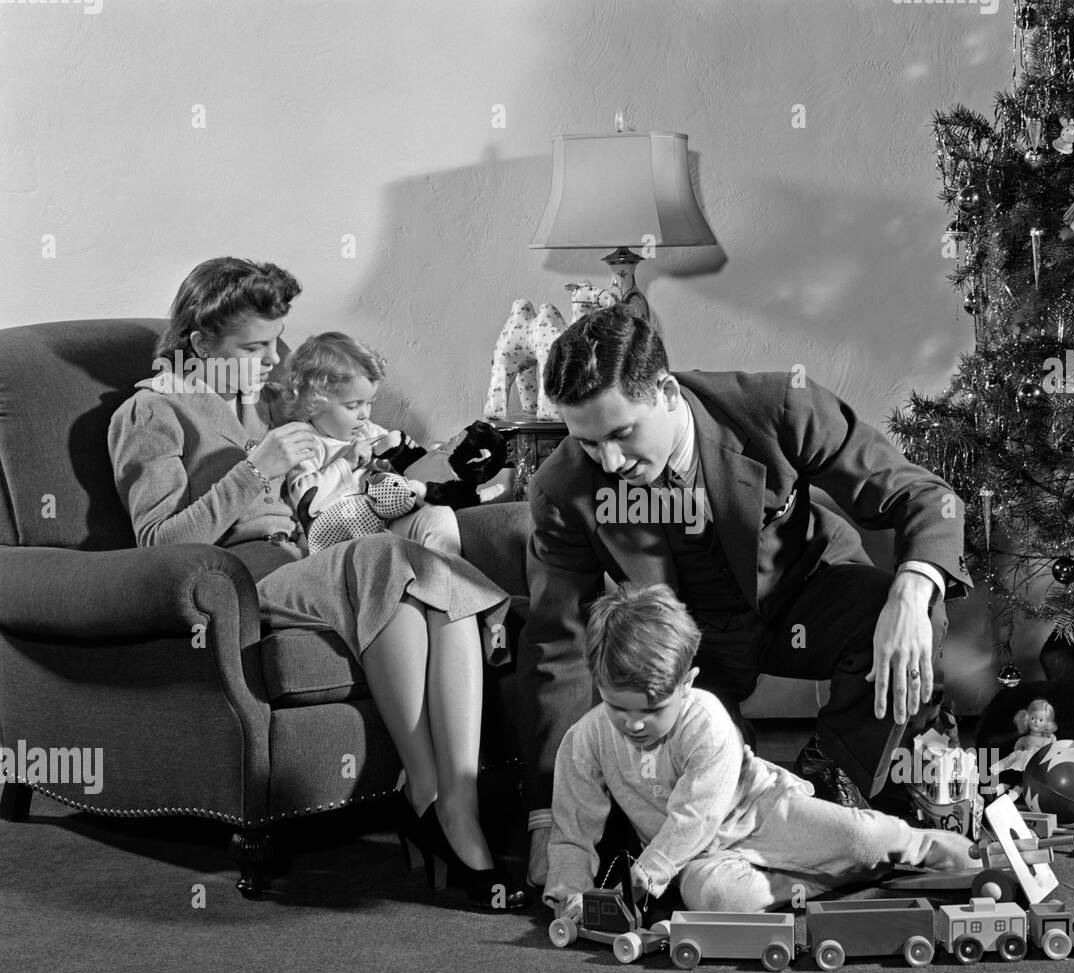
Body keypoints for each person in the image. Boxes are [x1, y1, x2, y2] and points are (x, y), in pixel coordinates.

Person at [107, 256, 525, 910]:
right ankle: (424, 791)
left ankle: (456, 805)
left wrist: (440, 463)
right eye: (253, 348)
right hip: (244, 585)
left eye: (276, 340)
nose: (274, 360)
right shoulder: (150, 413)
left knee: (424, 573)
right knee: (387, 559)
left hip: (310, 564)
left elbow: (361, 438)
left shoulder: (259, 403)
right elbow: (157, 548)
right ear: (199, 346)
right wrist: (252, 471)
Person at [520, 305, 972, 886]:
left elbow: (921, 496)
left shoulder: (778, 405)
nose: (609, 461)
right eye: (587, 443)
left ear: (665, 390)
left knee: (910, 603)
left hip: (805, 598)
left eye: (621, 433)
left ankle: (843, 790)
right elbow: (558, 645)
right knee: (701, 819)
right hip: (689, 647)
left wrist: (912, 592)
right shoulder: (560, 490)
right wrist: (546, 822)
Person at [545, 583, 976, 917]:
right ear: (598, 684)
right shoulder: (585, 739)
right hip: (694, 855)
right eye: (618, 707)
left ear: (688, 682)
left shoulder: (707, 719)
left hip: (763, 811)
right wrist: (571, 897)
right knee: (717, 899)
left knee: (863, 838)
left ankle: (928, 848)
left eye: (653, 709)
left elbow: (699, 813)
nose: (634, 724)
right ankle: (826, 879)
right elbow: (573, 827)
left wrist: (648, 872)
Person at [278, 331, 462, 557]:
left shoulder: (369, 431)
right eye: (354, 405)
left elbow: (403, 469)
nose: (365, 414)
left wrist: (428, 459)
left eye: (370, 403)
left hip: (388, 524)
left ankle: (449, 581)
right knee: (385, 554)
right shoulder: (304, 441)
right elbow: (303, 496)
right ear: (314, 401)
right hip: (341, 542)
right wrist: (346, 462)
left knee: (439, 516)